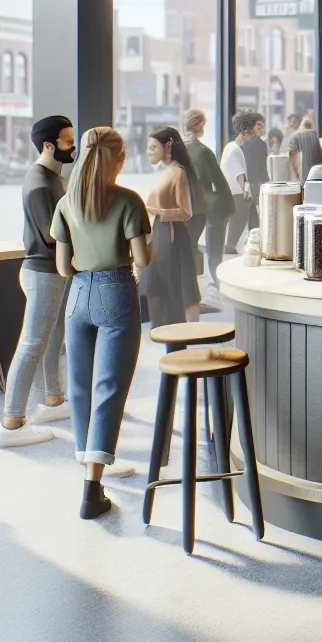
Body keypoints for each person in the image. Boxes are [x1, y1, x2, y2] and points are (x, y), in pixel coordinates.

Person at [51, 127, 152, 518]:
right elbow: (142, 260)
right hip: (116, 292)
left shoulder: (66, 203)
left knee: (79, 386)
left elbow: (62, 267)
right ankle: (92, 491)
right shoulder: (129, 201)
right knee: (108, 388)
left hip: (77, 296)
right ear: (119, 158)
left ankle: (87, 472)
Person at [0, 115, 77, 449]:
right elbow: (52, 234)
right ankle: (11, 423)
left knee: (53, 337)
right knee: (33, 343)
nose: (73, 146)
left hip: (51, 271)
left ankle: (54, 400)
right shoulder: (41, 182)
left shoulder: (53, 178)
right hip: (43, 272)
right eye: (68, 141)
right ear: (48, 144)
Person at [140, 127, 202, 328]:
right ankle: (167, 328)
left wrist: (155, 211)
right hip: (161, 232)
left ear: (167, 146)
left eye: (152, 147)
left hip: (172, 234)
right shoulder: (167, 171)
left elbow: (186, 212)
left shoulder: (178, 173)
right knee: (164, 285)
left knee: (180, 286)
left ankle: (186, 333)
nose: (149, 152)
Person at [182, 108, 234, 283]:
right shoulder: (203, 151)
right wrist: (229, 205)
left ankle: (191, 289)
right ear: (199, 125)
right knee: (214, 249)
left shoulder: (177, 151)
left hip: (186, 205)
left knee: (189, 247)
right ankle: (216, 283)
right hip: (207, 205)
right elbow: (218, 181)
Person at [222, 111, 262, 254]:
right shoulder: (235, 149)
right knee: (238, 220)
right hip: (236, 194)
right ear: (246, 130)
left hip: (232, 192)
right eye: (254, 128)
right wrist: (247, 191)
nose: (256, 133)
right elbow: (240, 175)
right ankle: (230, 247)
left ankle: (231, 246)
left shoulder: (231, 147)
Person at [286, 115, 322, 187]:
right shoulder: (317, 136)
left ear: (300, 125)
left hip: (305, 179)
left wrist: (296, 175)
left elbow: (291, 159)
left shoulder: (295, 136)